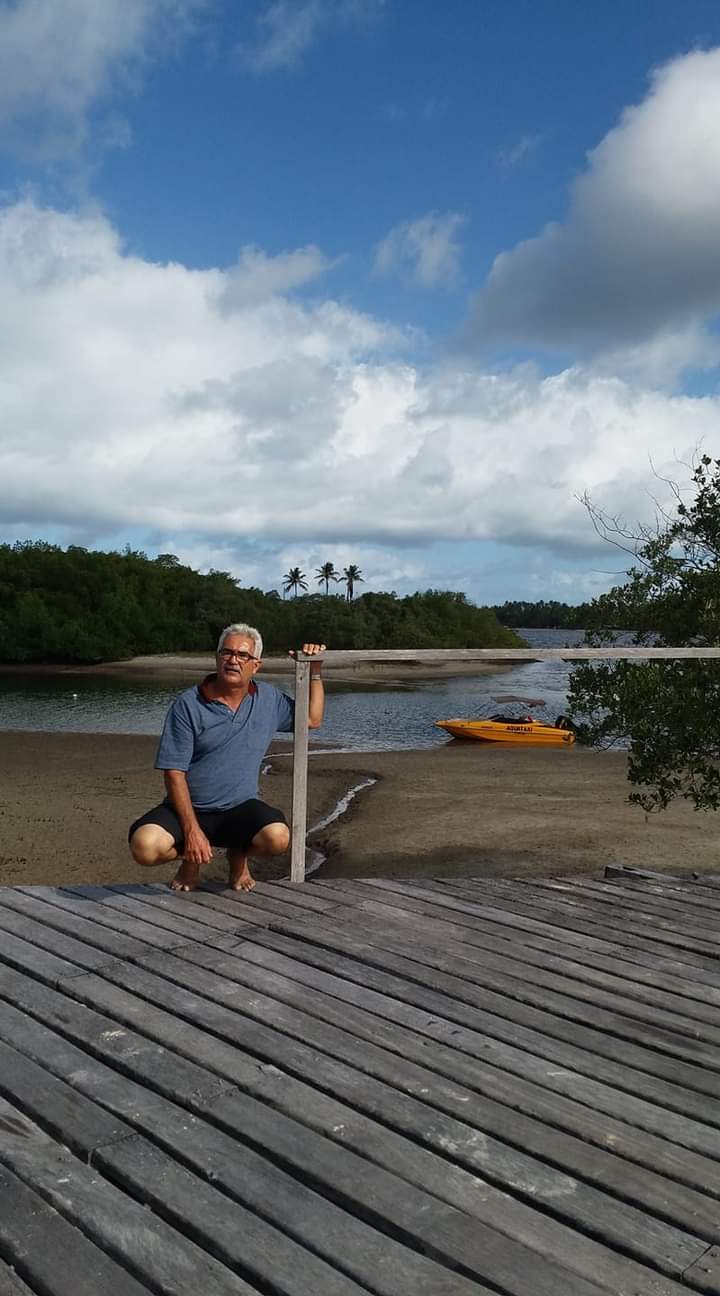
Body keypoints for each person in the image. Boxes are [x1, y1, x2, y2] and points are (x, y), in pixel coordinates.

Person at [128, 623, 325, 893]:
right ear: (217, 657)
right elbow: (174, 773)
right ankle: (191, 859)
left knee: (277, 838)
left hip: (239, 809)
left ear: (256, 665)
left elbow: (312, 719)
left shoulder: (268, 699)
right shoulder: (188, 704)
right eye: (227, 652)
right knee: (145, 847)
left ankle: (238, 853)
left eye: (243, 655)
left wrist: (315, 671)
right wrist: (192, 832)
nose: (233, 660)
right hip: (189, 808)